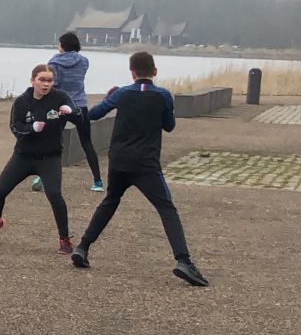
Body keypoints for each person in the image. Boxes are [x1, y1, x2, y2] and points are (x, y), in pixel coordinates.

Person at [70, 52, 208, 286]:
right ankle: (183, 261)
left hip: (119, 161)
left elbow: (92, 115)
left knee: (110, 201)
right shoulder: (163, 95)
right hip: (146, 164)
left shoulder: (122, 94)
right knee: (166, 208)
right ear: (154, 71)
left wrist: (108, 97)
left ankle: (82, 247)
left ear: (132, 72)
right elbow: (169, 126)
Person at [0, 65, 77, 253]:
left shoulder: (60, 97)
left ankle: (64, 240)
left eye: (49, 80)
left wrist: (70, 111)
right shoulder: (22, 102)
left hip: (49, 157)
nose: (46, 84)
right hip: (23, 156)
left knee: (54, 195)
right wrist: (31, 128)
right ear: (33, 80)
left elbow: (77, 114)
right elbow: (15, 126)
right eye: (42, 80)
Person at [36, 32, 104, 193]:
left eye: (59, 43)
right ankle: (98, 181)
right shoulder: (84, 61)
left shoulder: (54, 63)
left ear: (63, 46)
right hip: (80, 106)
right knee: (87, 143)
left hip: (60, 107)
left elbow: (54, 84)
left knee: (52, 139)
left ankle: (42, 177)